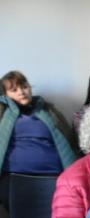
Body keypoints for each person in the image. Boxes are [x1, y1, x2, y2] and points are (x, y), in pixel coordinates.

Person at [0, 70, 77, 198]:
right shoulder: (2, 114)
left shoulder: (49, 111)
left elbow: (68, 139)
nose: (21, 92)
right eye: (14, 90)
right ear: (5, 95)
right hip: (14, 178)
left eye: (24, 86)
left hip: (54, 176)